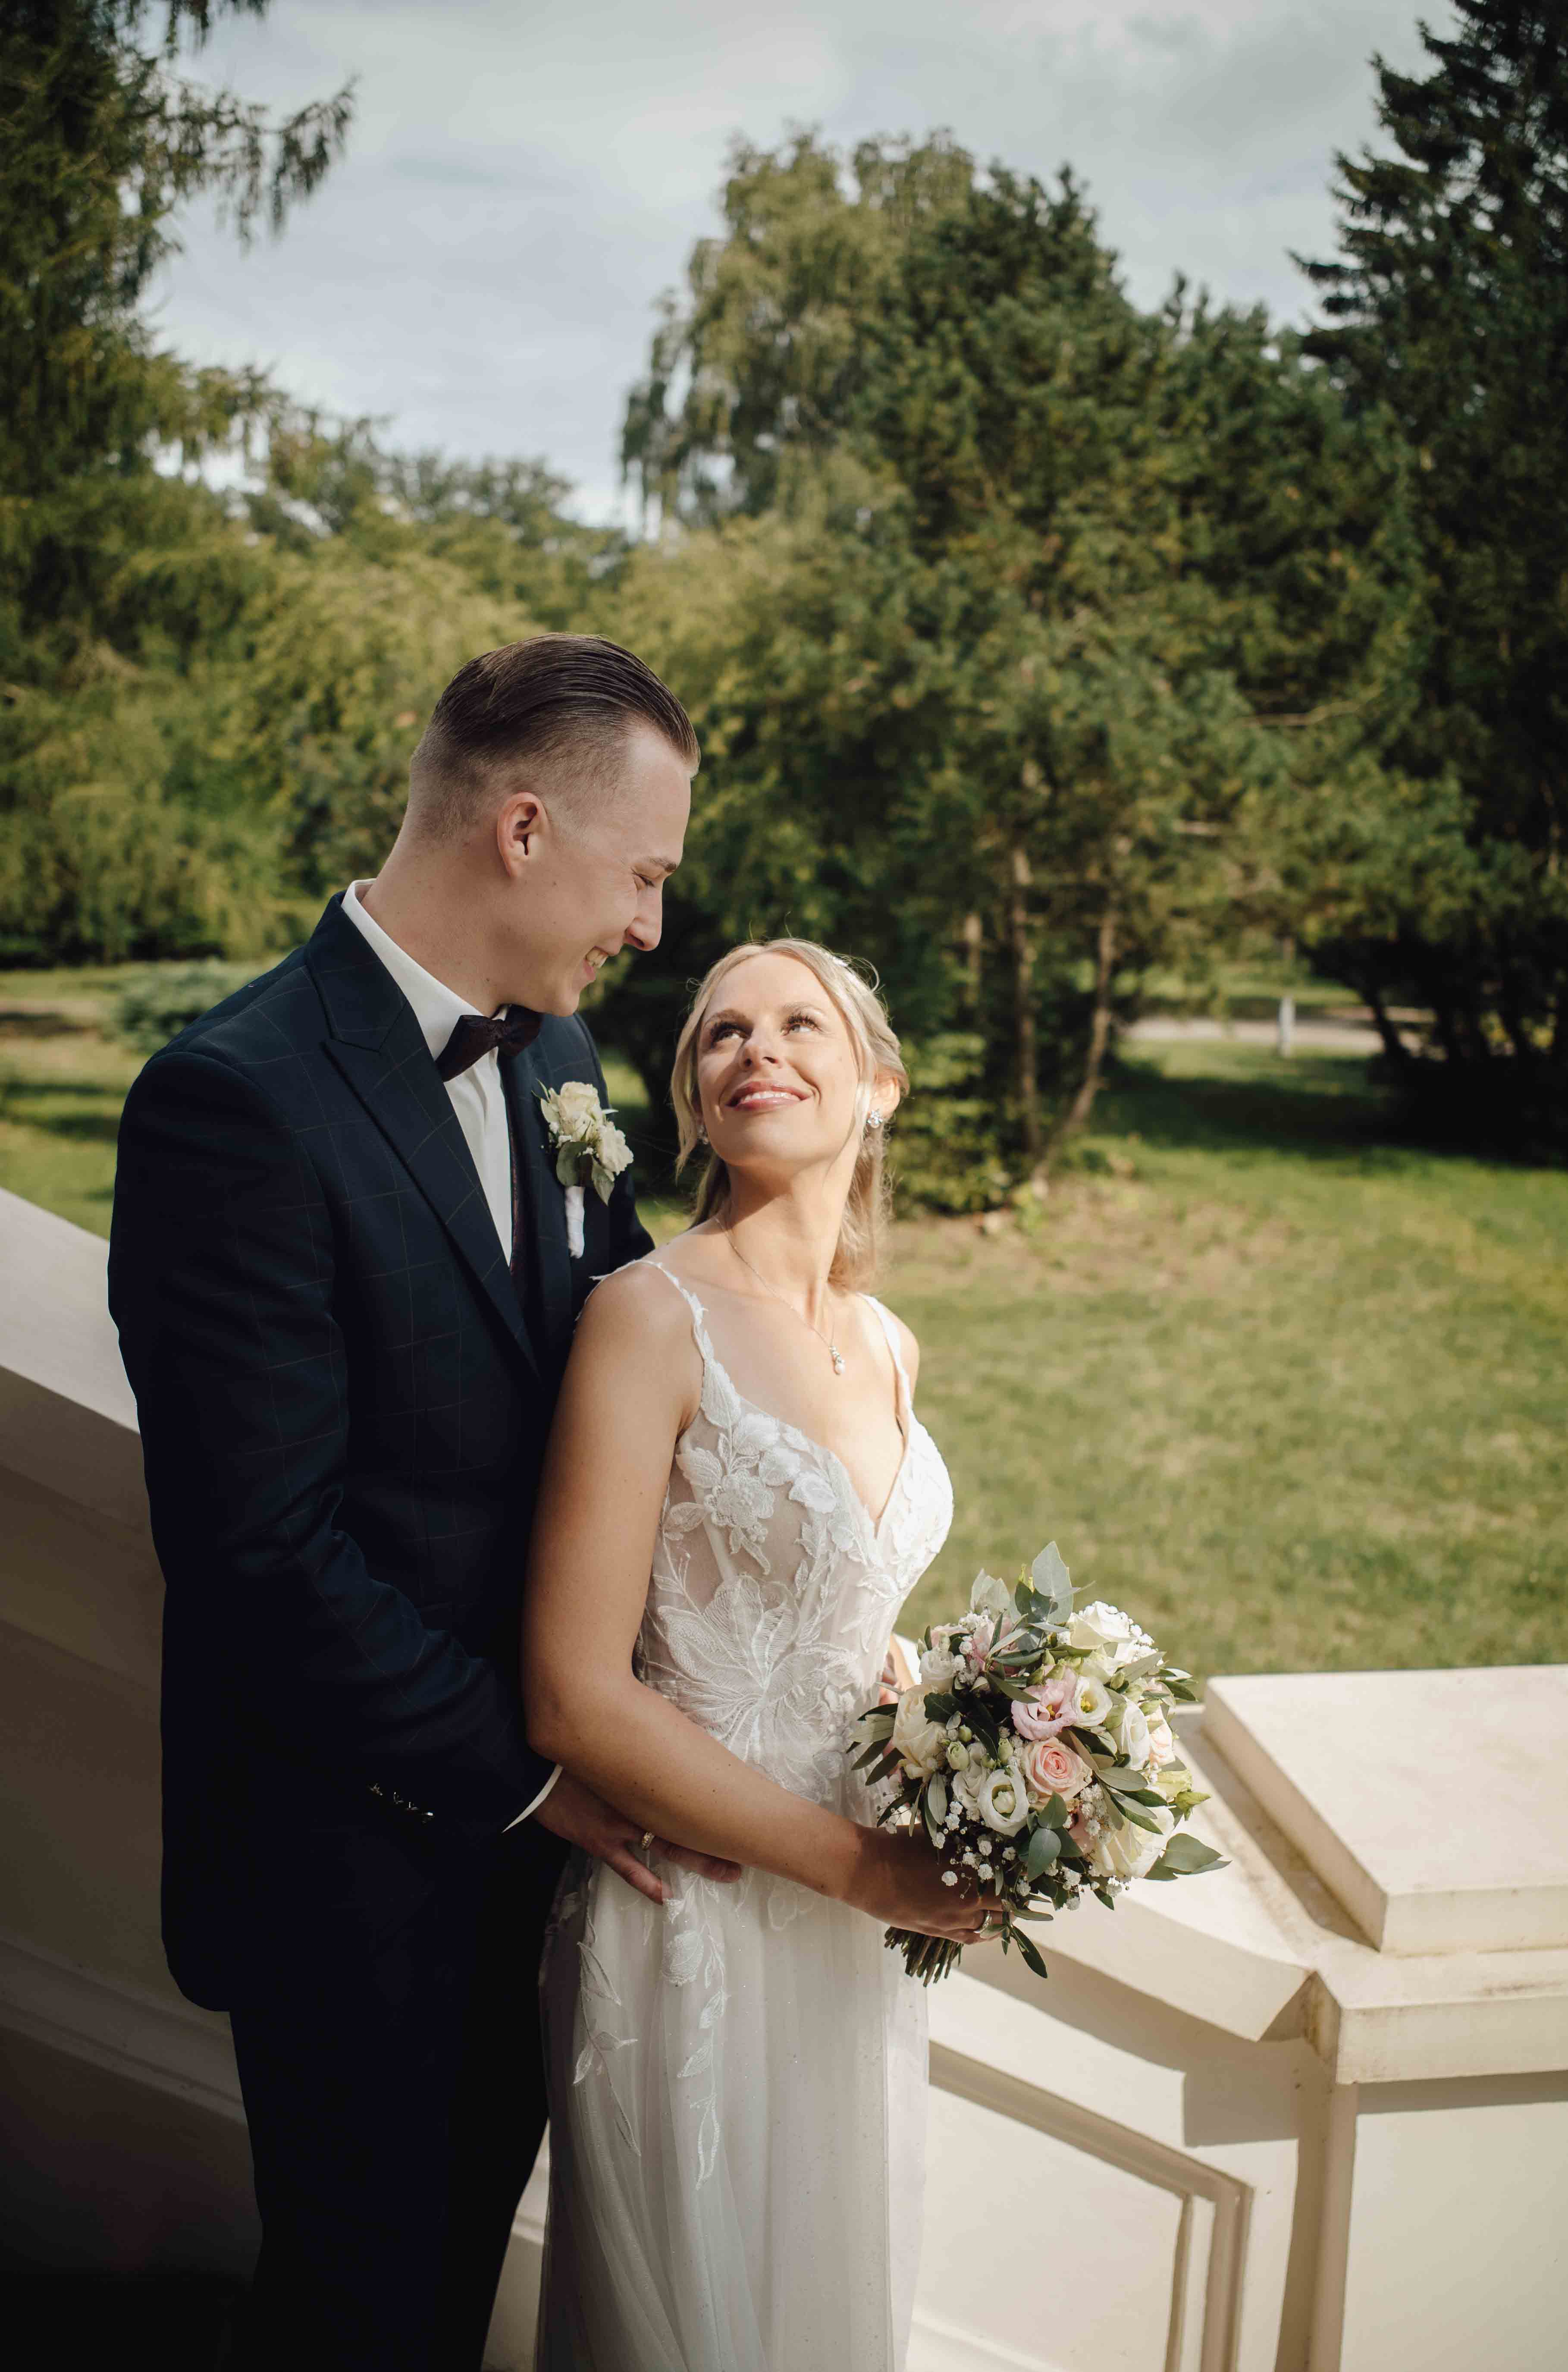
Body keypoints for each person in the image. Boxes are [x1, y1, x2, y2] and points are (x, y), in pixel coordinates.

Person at [107, 635, 735, 2370]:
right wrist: (542, 1771)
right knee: (360, 2315)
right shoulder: (235, 1104)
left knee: (445, 2298)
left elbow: (621, 1366)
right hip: (353, 1868)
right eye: (647, 874)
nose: (652, 927)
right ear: (525, 831)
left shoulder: (559, 1061)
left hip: (536, 1867)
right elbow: (262, 1553)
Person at [524, 936, 994, 2372]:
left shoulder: (889, 1342)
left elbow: (830, 1600)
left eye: (799, 1024)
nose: (755, 1049)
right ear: (691, 1097)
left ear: (878, 1087)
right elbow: (571, 1693)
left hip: (852, 1936)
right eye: (721, 1032)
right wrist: (857, 1866)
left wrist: (943, 1715)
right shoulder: (647, 1318)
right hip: (699, 1909)